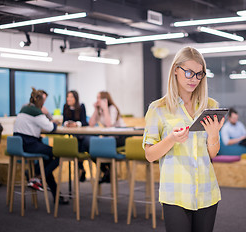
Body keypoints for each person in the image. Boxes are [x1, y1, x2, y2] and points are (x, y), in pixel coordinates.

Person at [143, 47, 225, 232]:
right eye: (189, 73)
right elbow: (149, 155)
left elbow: (212, 153)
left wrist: (213, 135)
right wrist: (171, 138)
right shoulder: (158, 109)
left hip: (206, 191)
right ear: (175, 70)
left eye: (199, 74)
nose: (194, 79)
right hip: (176, 193)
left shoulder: (209, 106)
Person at [13, 87, 69, 205]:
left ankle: (54, 193)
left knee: (47, 161)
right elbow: (50, 127)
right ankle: (37, 177)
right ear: (41, 101)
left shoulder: (24, 109)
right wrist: (54, 123)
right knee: (60, 153)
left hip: (20, 144)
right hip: (29, 144)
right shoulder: (36, 112)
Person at [89, 91, 125, 183]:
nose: (97, 100)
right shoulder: (100, 110)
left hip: (120, 137)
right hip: (109, 138)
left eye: (99, 98)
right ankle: (107, 172)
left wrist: (105, 109)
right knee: (92, 149)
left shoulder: (112, 108)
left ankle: (108, 174)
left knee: (103, 148)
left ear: (105, 99)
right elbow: (91, 124)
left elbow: (109, 125)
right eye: (97, 98)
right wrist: (96, 109)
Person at [62, 90, 89, 182]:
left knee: (80, 142)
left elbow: (84, 122)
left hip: (81, 134)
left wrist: (76, 124)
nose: (68, 99)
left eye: (71, 97)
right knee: (76, 142)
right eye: (67, 96)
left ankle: (80, 168)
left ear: (75, 98)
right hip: (73, 135)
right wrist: (67, 124)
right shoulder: (65, 107)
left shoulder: (81, 106)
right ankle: (81, 168)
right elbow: (64, 121)